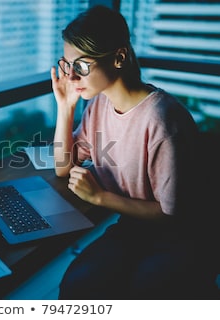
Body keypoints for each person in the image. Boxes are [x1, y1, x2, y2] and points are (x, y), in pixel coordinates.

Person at [51, 5, 215, 299]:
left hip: (184, 235)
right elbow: (63, 166)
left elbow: (171, 214)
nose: (72, 77)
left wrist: (100, 197)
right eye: (67, 65)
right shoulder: (99, 104)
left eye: (81, 66)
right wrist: (65, 109)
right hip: (134, 226)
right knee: (77, 285)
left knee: (145, 290)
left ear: (119, 58)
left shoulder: (162, 121)